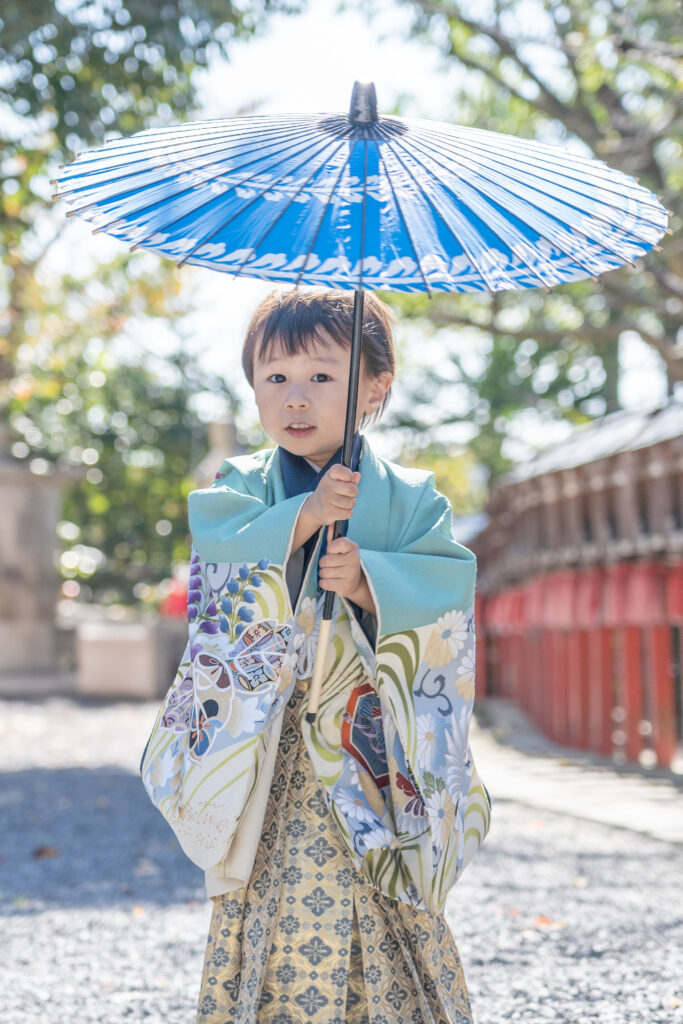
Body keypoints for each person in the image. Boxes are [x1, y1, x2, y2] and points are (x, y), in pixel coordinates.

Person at [140, 288, 492, 1024]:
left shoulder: (409, 499)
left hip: (369, 751)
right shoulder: (239, 487)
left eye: (322, 377)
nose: (295, 399)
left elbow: (445, 598)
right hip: (268, 752)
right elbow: (221, 563)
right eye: (275, 378)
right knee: (270, 890)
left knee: (387, 892)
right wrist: (303, 517)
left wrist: (370, 583)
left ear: (375, 387)